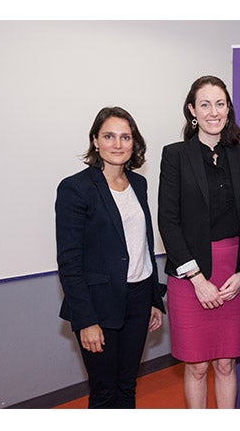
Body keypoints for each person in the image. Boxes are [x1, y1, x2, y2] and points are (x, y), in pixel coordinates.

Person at [56, 106, 165, 408]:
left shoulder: (139, 184)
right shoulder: (75, 189)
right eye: (109, 136)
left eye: (125, 137)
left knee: (127, 386)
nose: (117, 144)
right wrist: (86, 320)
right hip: (98, 305)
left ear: (134, 143)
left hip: (139, 298)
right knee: (104, 392)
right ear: (95, 141)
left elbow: (141, 245)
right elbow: (69, 261)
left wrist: (154, 299)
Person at [158, 75, 240, 409]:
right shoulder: (175, 156)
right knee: (197, 365)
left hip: (234, 272)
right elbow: (167, 221)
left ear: (228, 109)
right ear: (192, 111)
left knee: (226, 363)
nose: (213, 111)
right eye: (205, 104)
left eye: (220, 103)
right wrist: (197, 279)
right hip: (190, 274)